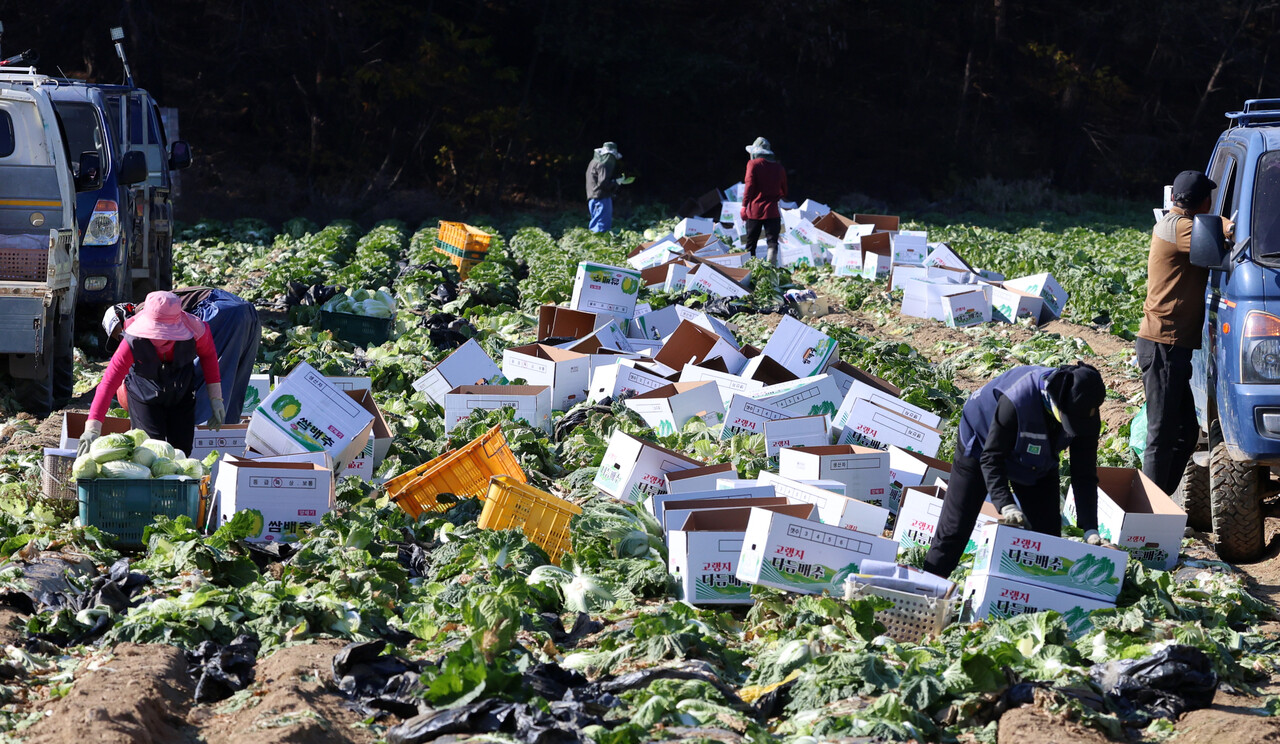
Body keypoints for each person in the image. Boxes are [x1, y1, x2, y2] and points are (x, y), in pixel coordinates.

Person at [923, 362, 1107, 579]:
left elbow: (1083, 474)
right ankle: (928, 588)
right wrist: (1006, 504)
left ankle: (1030, 597)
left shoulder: (1086, 412)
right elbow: (991, 458)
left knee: (1047, 537)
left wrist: (1090, 528)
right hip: (982, 443)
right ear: (1057, 402)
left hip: (1035, 455)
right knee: (955, 529)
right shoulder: (1017, 399)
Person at [1138, 171, 1231, 496]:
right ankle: (1148, 513)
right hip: (1163, 343)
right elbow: (1221, 233)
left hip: (1170, 345)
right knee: (1162, 434)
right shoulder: (1180, 228)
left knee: (1184, 432)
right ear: (1203, 201)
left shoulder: (1175, 223)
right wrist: (1227, 224)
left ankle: (1159, 501)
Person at [78, 291, 224, 458]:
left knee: (182, 451)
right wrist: (92, 428)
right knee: (150, 451)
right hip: (143, 392)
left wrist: (216, 399)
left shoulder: (197, 331)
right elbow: (108, 383)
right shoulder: (132, 341)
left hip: (181, 390)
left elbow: (209, 357)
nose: (160, 339)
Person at [102, 287, 261, 425]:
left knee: (197, 386)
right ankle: (224, 445)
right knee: (231, 387)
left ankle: (200, 449)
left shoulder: (150, 312)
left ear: (125, 316)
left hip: (218, 311)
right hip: (246, 312)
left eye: (121, 334)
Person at [739, 137, 787, 266]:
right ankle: (771, 263)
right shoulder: (779, 168)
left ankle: (752, 268)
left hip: (755, 210)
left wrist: (744, 206)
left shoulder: (753, 164)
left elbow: (749, 186)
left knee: (751, 243)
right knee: (772, 242)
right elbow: (784, 190)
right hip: (772, 210)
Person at [586, 141, 627, 232]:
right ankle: (600, 244)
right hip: (601, 198)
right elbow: (603, 183)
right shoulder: (602, 165)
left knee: (595, 223)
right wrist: (616, 182)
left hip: (592, 197)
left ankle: (594, 243)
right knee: (602, 226)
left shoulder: (593, 162)